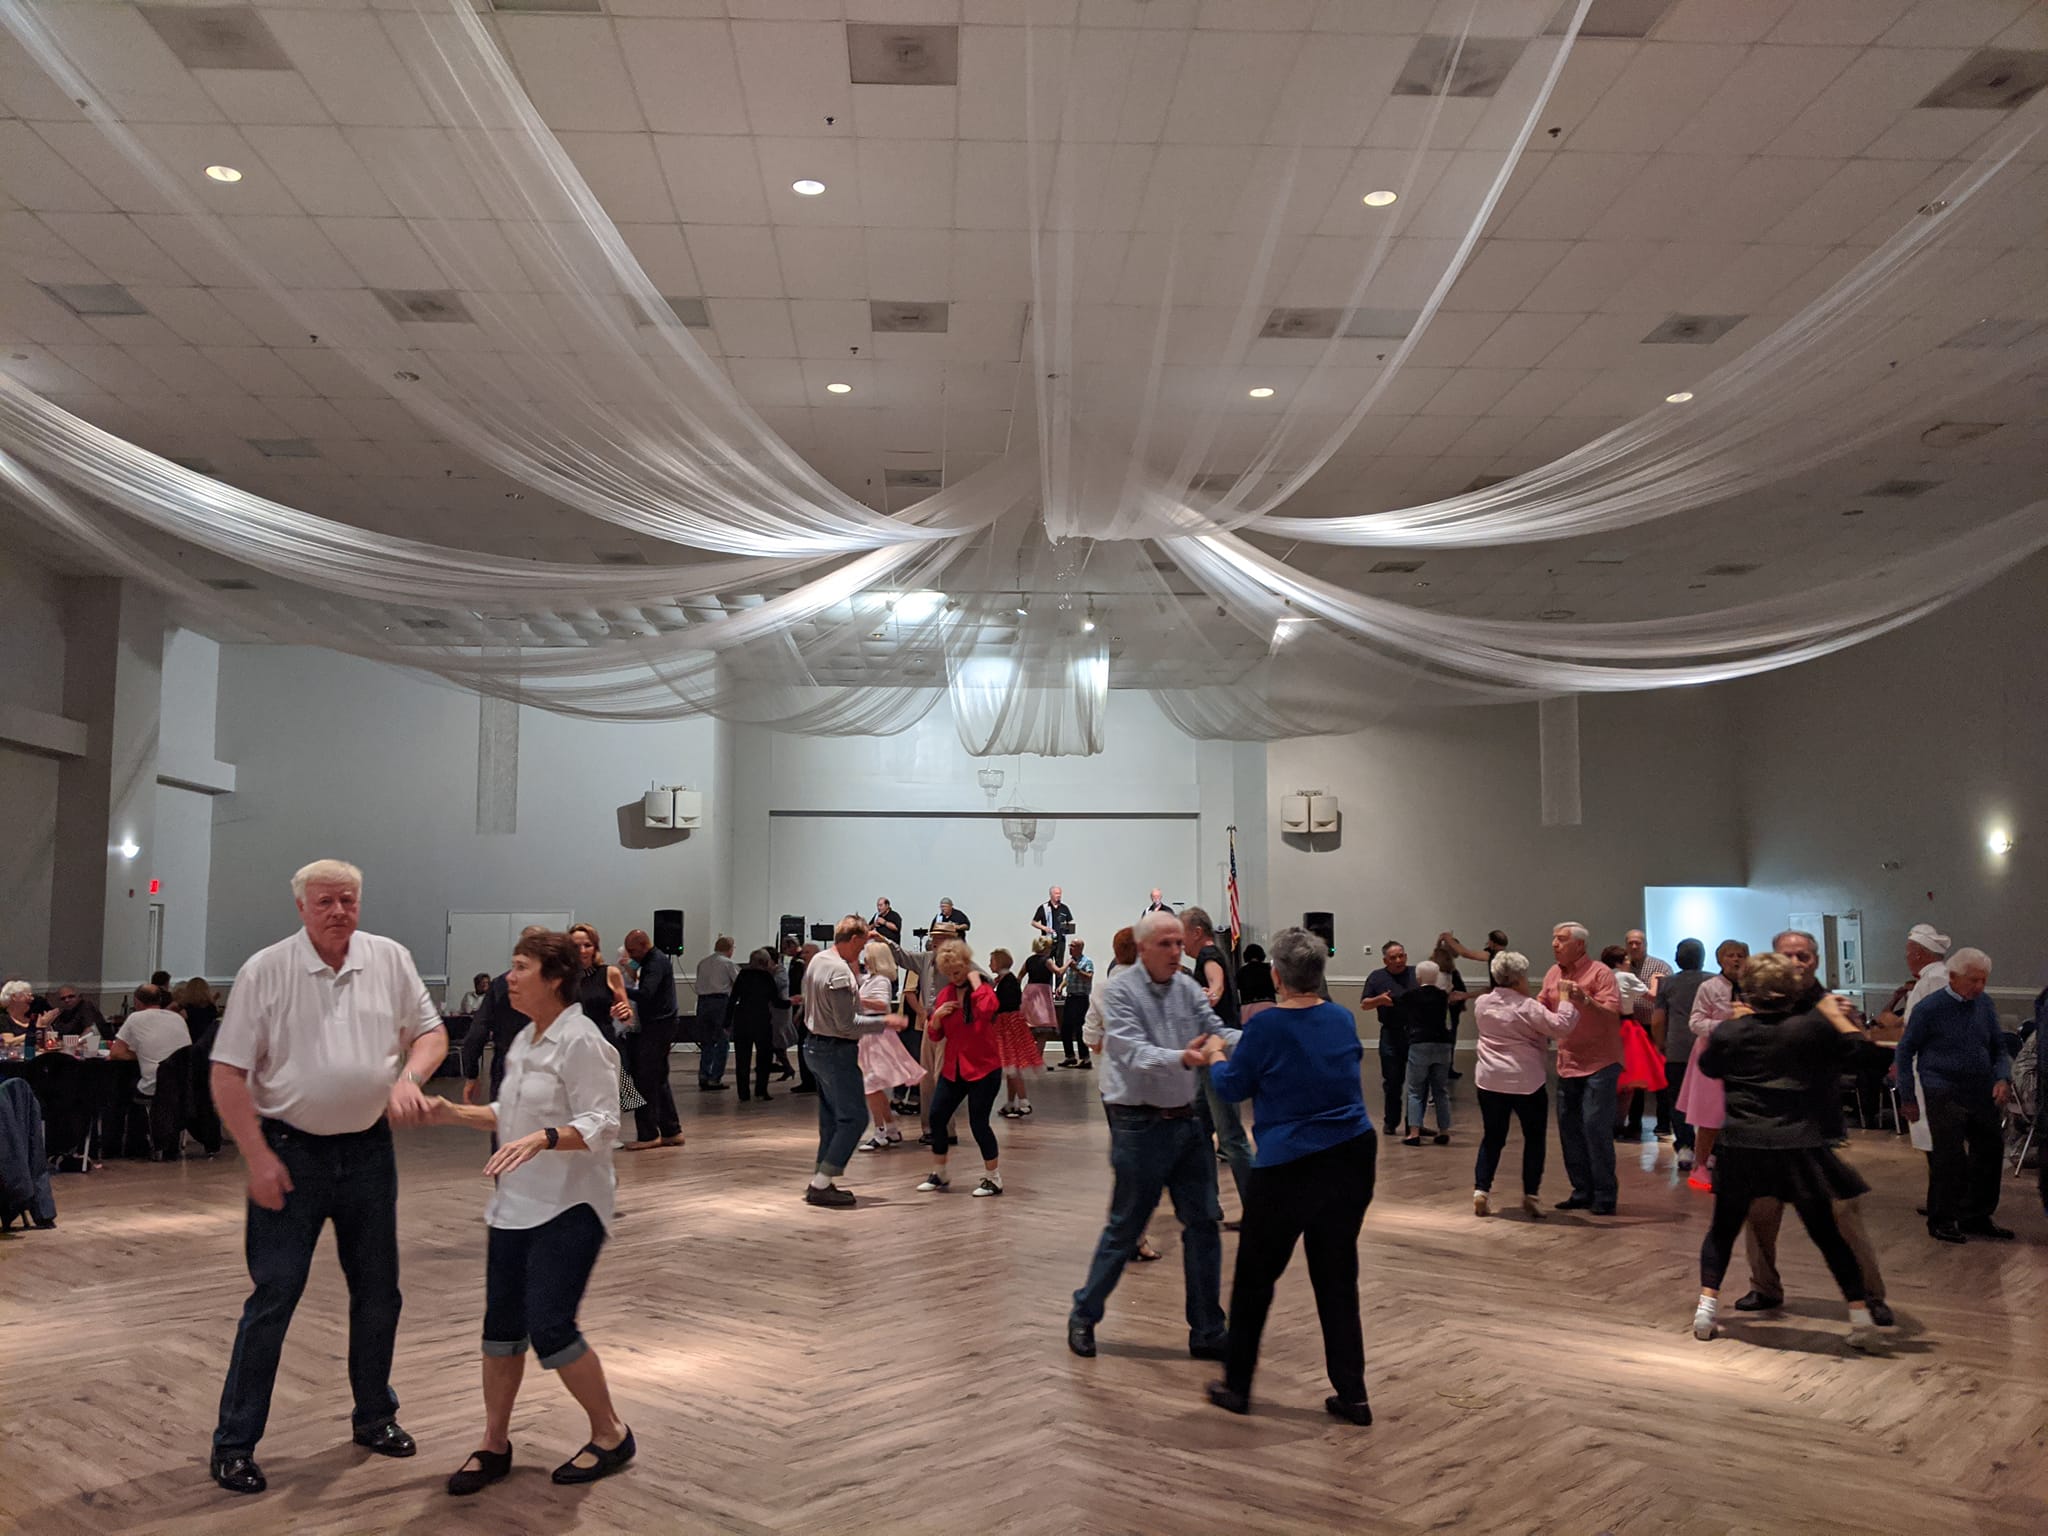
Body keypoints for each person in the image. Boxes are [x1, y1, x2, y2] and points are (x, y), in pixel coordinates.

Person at [207, 859, 446, 1495]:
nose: (339, 911)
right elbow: (227, 1073)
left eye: (348, 900)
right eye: (325, 902)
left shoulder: (389, 958)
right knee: (274, 1296)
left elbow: (431, 1033)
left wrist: (409, 1079)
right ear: (301, 908)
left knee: (379, 1292)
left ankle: (375, 1415)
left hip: (368, 1151)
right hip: (291, 1153)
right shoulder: (266, 970)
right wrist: (257, 1157)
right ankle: (234, 1443)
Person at [427, 929, 634, 1493]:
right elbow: (507, 1112)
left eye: (521, 967)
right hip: (513, 1206)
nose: (509, 978)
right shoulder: (523, 1039)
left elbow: (603, 1123)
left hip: (571, 1206)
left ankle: (611, 1434)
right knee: (501, 1330)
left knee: (551, 1327)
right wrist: (449, 1113)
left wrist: (545, 1138)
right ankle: (494, 1443)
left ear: (556, 978)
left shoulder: (582, 1040)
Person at [1197, 927, 1376, 1423]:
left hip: (1291, 1163)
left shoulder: (1267, 1026)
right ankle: (1353, 1395)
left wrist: (1214, 1054)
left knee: (1255, 1278)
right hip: (1352, 1153)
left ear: (1277, 976)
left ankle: (1237, 1387)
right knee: (1337, 1277)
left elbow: (1233, 1087)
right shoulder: (1340, 1018)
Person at [1689, 953, 1881, 1352]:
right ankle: (1861, 1317)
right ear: (1791, 991)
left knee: (1723, 1229)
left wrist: (1737, 1026)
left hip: (1743, 1143)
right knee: (1826, 1234)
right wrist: (1840, 1019)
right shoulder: (1811, 1029)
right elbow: (1861, 1056)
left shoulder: (1731, 1032)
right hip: (1799, 1145)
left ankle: (1706, 1311)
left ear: (1748, 992)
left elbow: (1709, 1066)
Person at [1067, 911, 1236, 1362]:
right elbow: (1131, 1051)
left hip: (1186, 1121)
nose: (1177, 952)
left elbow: (1216, 1030)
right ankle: (1084, 1313)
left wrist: (1263, 1037)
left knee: (1203, 1223)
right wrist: (1183, 1057)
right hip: (1138, 1124)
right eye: (1166, 944)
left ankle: (1208, 1331)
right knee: (1126, 1227)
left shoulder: (1186, 987)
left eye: (1180, 943)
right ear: (1142, 949)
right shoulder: (1120, 989)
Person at [1734, 929, 1894, 1326]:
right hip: (1765, 1129)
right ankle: (1764, 1287)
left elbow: (1865, 1059)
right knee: (1760, 1212)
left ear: (1816, 960)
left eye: (1803, 955)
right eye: (1787, 955)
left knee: (1844, 1214)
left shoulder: (1829, 1005)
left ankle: (1870, 1296)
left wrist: (1847, 1023)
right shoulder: (1756, 1003)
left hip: (1815, 1131)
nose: (1795, 962)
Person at [1897, 947, 2013, 1243]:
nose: (1980, 986)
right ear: (1952, 977)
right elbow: (1905, 1050)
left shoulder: (1984, 1004)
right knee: (1949, 1156)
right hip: (1943, 1088)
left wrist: (2002, 1077)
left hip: (1981, 1088)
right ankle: (1942, 1219)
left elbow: (1998, 1048)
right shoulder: (1929, 1008)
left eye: (1984, 980)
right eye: (1973, 980)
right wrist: (1908, 1096)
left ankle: (1976, 1215)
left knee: (1990, 1150)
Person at [800, 916, 908, 1208]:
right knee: (855, 1118)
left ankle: (822, 1179)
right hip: (835, 1050)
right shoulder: (838, 970)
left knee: (831, 1120)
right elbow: (847, 1024)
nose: (861, 953)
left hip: (814, 1047)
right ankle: (821, 1185)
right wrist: (885, 1021)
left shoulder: (818, 960)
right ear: (854, 939)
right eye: (861, 946)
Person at [1470, 950, 1578, 1217]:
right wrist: (1565, 998)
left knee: (1493, 1137)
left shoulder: (1482, 1003)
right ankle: (1531, 1194)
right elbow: (1561, 1026)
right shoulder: (1527, 1006)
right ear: (1519, 978)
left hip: (1489, 1080)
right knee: (1534, 1138)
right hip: (1525, 1081)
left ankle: (1481, 1190)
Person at [1541, 923, 1624, 1215]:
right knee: (1570, 1129)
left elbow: (1612, 1013)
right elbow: (1543, 1006)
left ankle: (1604, 1194)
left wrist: (1584, 1000)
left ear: (1580, 945)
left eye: (1562, 939)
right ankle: (1582, 1190)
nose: (1555, 944)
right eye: (1554, 939)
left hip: (1601, 1062)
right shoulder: (1553, 973)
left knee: (1595, 1127)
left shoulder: (1600, 973)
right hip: (1568, 1062)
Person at [917, 940, 1006, 1197]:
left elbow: (988, 1009)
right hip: (954, 1067)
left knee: (979, 1123)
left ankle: (993, 1178)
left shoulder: (982, 988)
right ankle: (940, 1172)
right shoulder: (946, 995)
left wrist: (976, 982)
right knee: (937, 1116)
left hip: (983, 1068)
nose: (954, 977)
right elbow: (935, 1034)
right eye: (949, 973)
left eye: (957, 971)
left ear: (967, 964)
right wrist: (937, 1018)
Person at [1184, 906, 1252, 1204]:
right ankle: (1208, 1206)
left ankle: (1257, 1210)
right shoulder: (1211, 955)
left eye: (1182, 935)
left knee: (1230, 1136)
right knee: (1199, 1129)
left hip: (1217, 1051)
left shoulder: (1209, 955)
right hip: (1211, 1052)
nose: (1180, 943)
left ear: (1197, 932)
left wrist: (1206, 996)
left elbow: (1217, 986)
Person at [1676, 940, 1747, 1189]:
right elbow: (1696, 1022)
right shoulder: (1709, 987)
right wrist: (1728, 1025)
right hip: (1713, 1055)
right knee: (1710, 1113)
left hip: (1744, 1057)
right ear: (1720, 960)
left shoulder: (1754, 987)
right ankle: (1700, 1164)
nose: (1736, 960)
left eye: (1740, 955)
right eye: (1730, 955)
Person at [567, 925, 644, 1126]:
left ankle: (604, 1134)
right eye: (576, 946)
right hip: (572, 1046)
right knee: (574, 1102)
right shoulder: (562, 977)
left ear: (595, 947)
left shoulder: (609, 973)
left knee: (606, 1101)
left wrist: (624, 1012)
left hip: (603, 1044)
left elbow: (627, 1014)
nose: (582, 951)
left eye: (587, 945)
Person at [855, 941, 923, 1151]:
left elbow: (882, 1004)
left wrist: (857, 999)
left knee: (871, 1085)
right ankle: (890, 1129)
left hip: (877, 1036)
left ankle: (880, 1131)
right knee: (873, 1086)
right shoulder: (869, 979)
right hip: (868, 1034)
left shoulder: (881, 981)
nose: (864, 959)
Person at [620, 930, 682, 1151]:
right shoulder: (653, 960)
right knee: (659, 1079)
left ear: (644, 945)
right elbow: (638, 972)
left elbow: (646, 993)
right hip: (662, 1025)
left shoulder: (655, 963)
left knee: (645, 1080)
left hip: (657, 1026)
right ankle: (671, 1131)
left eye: (633, 951)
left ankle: (648, 1134)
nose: (631, 955)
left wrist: (618, 990)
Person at [1651, 940, 1709, 1158]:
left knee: (1677, 1099)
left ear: (1678, 958)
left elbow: (1658, 1019)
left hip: (1677, 1049)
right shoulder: (1713, 981)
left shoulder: (1667, 984)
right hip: (1708, 1048)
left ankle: (1685, 1146)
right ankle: (1710, 1148)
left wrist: (1660, 1044)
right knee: (1710, 1098)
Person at [1617, 930, 1672, 1139]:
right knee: (1636, 1079)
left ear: (1645, 944)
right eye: (1630, 943)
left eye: (1638, 943)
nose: (1634, 947)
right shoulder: (1621, 968)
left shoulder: (1660, 967)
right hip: (1631, 1029)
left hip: (1654, 1027)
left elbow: (1664, 996)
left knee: (1660, 1075)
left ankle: (1664, 1123)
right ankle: (1634, 1123)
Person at [1359, 941, 1417, 1138]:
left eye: (1402, 956)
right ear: (1385, 960)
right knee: (1392, 1081)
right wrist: (1380, 1000)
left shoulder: (1415, 974)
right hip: (1391, 1034)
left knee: (1416, 1083)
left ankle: (1414, 1125)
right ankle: (1391, 1122)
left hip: (1415, 1033)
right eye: (1394, 958)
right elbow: (1365, 1004)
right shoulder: (1377, 977)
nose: (1399, 960)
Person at [1398, 960, 1454, 1147]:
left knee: (1415, 1090)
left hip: (1420, 1042)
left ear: (1418, 977)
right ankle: (1444, 1131)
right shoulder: (1443, 996)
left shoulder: (1410, 996)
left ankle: (1414, 1132)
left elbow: (1403, 1015)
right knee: (1440, 1090)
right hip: (1443, 1044)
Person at [461, 965, 531, 1108]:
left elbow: (476, 1034)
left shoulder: (501, 983)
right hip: (549, 1066)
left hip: (505, 1063)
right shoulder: (563, 981)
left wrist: (471, 1075)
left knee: (502, 1115)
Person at [110, 983, 191, 1098]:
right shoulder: (178, 1018)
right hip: (184, 1085)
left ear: (137, 1002)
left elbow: (116, 1053)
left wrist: (141, 1053)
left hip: (155, 1086)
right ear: (160, 1000)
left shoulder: (135, 1018)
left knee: (121, 1086)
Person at [989, 948, 1039, 1117]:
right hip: (1009, 1024)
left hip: (1009, 1026)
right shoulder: (1006, 980)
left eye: (992, 961)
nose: (989, 964)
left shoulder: (1007, 981)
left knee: (1013, 1065)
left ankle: (1024, 1101)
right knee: (1010, 1066)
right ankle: (1011, 1102)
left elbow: (1005, 1003)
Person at [729, 948, 782, 1103]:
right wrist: (790, 1002)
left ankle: (743, 1093)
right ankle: (761, 1090)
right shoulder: (767, 977)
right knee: (764, 1057)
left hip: (742, 1020)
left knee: (742, 1058)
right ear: (765, 962)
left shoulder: (743, 975)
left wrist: (726, 1021)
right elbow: (776, 1001)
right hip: (761, 1020)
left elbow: (733, 998)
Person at [694, 937, 739, 1091]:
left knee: (706, 1041)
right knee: (722, 1040)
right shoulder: (728, 963)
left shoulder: (703, 962)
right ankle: (715, 1078)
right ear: (730, 949)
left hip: (702, 1002)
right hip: (720, 1003)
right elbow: (738, 982)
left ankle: (703, 1075)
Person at [1428, 941, 1475, 1080]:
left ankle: (1446, 1068)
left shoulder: (1448, 972)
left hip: (1451, 1011)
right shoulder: (1443, 973)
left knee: (1447, 1041)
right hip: (1445, 1012)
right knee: (1446, 1041)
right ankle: (1443, 1068)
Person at [1056, 937, 1095, 1068]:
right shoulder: (1070, 961)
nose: (1070, 948)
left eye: (1073, 946)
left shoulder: (1087, 962)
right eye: (1070, 946)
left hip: (1081, 999)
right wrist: (1061, 986)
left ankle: (1085, 1058)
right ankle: (1070, 1056)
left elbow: (1089, 977)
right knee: (1065, 1028)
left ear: (1079, 948)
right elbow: (1068, 977)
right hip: (1070, 997)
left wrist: (1076, 969)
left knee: (1080, 1029)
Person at [1022, 936, 1060, 1053]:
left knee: (1030, 1025)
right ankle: (1038, 1056)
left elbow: (1019, 976)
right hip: (1042, 992)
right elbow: (1058, 972)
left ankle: (1030, 1055)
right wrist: (1068, 963)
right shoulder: (1047, 960)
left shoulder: (1029, 960)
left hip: (1029, 991)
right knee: (1043, 1028)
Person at [1032, 884, 1075, 963]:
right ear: (1051, 894)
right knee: (1046, 962)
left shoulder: (1064, 908)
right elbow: (1034, 922)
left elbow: (1070, 922)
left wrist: (1066, 929)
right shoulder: (1044, 908)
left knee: (1059, 962)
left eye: (1060, 893)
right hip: (1047, 941)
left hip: (1060, 941)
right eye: (1056, 893)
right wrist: (1045, 928)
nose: (1058, 895)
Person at [1236, 944, 1276, 1018]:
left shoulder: (1242, 972)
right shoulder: (1269, 969)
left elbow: (1237, 987)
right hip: (1268, 1005)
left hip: (1248, 1008)